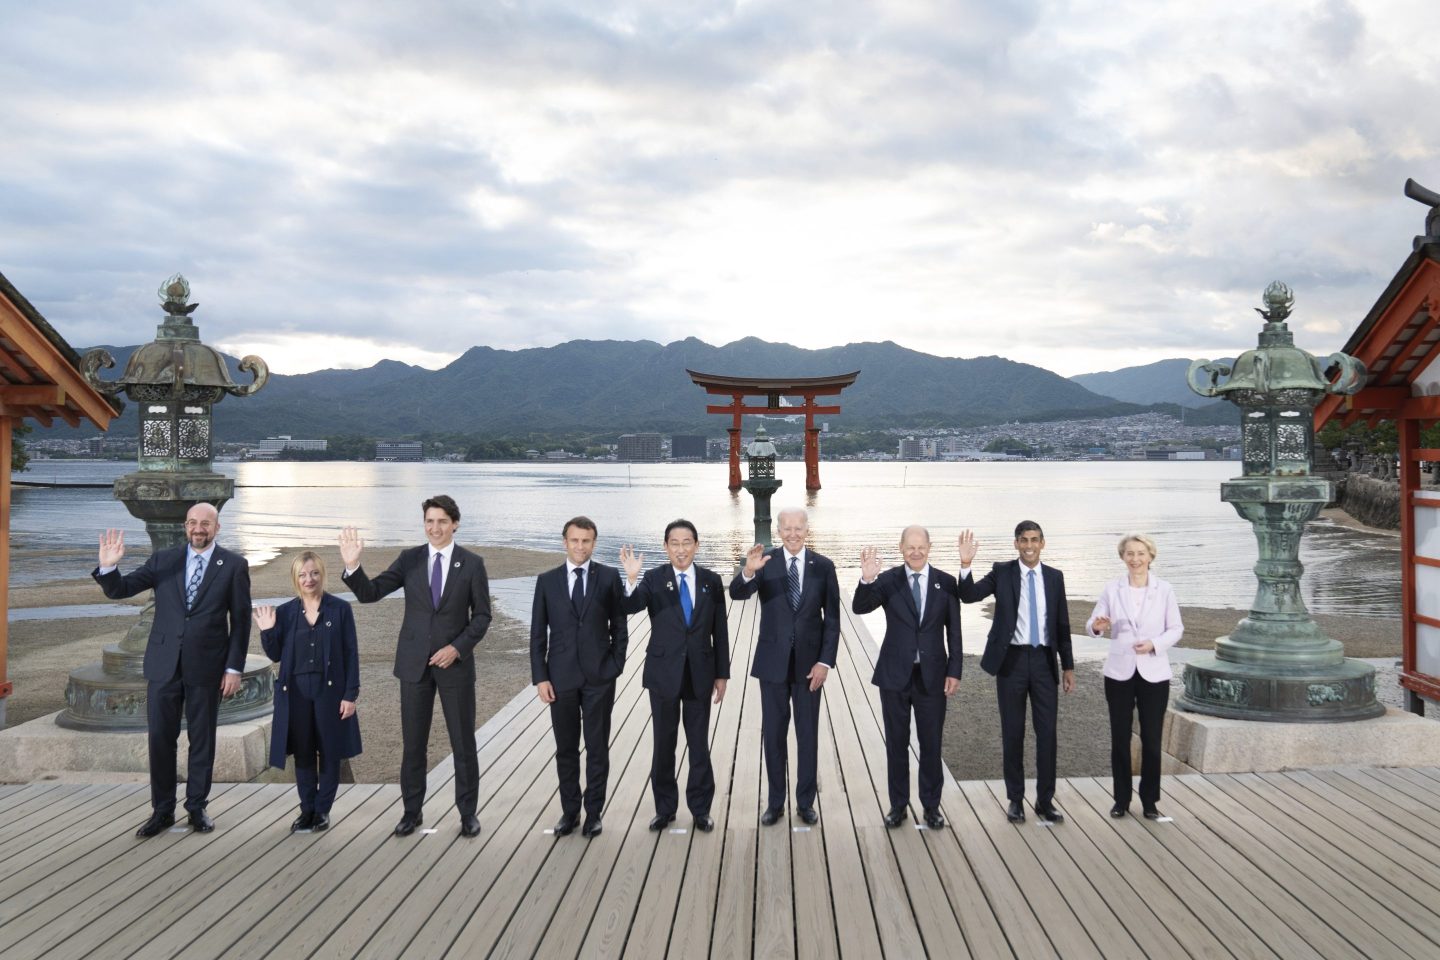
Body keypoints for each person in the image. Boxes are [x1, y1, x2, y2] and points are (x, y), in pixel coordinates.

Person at [93, 502, 251, 838]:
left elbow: (241, 621)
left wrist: (234, 668)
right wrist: (108, 567)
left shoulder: (234, 565)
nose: (198, 528)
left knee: (202, 740)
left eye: (205, 523)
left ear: (217, 528)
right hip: (163, 665)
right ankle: (162, 811)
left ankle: (197, 808)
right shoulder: (163, 560)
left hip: (207, 666)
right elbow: (122, 589)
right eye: (192, 522)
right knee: (160, 740)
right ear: (185, 526)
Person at [339, 495, 491, 838]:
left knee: (463, 744)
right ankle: (411, 812)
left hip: (455, 667)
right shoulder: (410, 559)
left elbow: (482, 616)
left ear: (455, 524)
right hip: (413, 665)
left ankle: (468, 814)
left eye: (442, 521)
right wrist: (352, 566)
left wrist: (457, 648)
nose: (435, 528)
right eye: (429, 521)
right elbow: (371, 593)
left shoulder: (472, 564)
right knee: (413, 745)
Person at [729, 507, 841, 826]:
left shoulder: (824, 566)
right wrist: (747, 572)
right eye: (787, 528)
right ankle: (775, 803)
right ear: (778, 531)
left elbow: (832, 620)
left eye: (798, 528)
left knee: (807, 736)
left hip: (810, 667)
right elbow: (737, 594)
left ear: (807, 529)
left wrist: (824, 662)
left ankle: (805, 803)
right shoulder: (765, 562)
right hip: (772, 665)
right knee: (774, 737)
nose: (793, 534)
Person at [957, 522, 1075, 824]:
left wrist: (1068, 666)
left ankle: (1045, 801)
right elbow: (969, 595)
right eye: (1024, 540)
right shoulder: (1002, 572)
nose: (1029, 545)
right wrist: (966, 564)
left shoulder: (1054, 577)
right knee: (1013, 733)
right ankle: (1015, 800)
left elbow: (1061, 624)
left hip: (1044, 663)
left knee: (1047, 734)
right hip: (1011, 661)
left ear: (1043, 543)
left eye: (1034, 540)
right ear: (1016, 544)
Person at [619, 520, 729, 833]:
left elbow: (720, 631)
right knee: (664, 744)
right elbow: (632, 605)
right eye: (675, 543)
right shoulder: (654, 579)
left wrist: (722, 674)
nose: (681, 549)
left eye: (687, 542)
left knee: (699, 745)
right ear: (665, 547)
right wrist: (631, 579)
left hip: (700, 673)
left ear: (697, 545)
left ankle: (701, 810)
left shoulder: (711, 581)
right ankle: (665, 809)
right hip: (663, 674)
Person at [852, 526, 962, 830]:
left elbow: (954, 632)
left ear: (929, 547)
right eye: (910, 547)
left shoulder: (946, 583)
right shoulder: (889, 580)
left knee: (931, 744)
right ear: (901, 548)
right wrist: (867, 579)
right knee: (896, 744)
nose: (916, 552)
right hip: (894, 675)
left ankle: (931, 807)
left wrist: (955, 670)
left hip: (933, 676)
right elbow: (860, 607)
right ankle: (898, 806)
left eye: (921, 546)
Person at [531, 516, 629, 839]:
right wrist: (541, 678)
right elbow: (537, 635)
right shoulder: (547, 581)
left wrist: (615, 665)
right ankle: (570, 812)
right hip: (560, 678)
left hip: (600, 677)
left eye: (586, 541)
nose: (580, 546)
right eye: (574, 540)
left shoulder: (609, 577)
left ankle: (594, 813)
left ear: (594, 543)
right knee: (566, 748)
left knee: (597, 747)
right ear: (565, 542)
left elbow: (619, 626)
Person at [255, 551, 362, 833]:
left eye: (314, 573)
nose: (309, 579)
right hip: (296, 693)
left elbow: (351, 654)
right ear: (295, 578)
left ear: (321, 574)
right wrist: (267, 631)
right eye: (302, 575)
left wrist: (350, 695)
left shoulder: (340, 609)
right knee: (302, 753)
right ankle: (307, 810)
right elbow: (275, 654)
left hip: (330, 692)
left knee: (329, 752)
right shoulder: (285, 612)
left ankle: (322, 811)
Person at [1086, 534, 1182, 820]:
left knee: (1152, 739)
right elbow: (1092, 624)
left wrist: (1154, 644)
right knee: (1120, 738)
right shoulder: (1112, 589)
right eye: (1130, 553)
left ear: (1150, 556)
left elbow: (1176, 629)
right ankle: (1121, 800)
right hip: (1119, 672)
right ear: (1123, 557)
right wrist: (1098, 626)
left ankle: (1150, 801)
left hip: (1154, 672)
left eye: (1141, 553)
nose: (1135, 559)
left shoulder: (1164, 589)